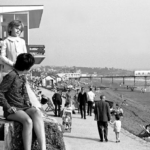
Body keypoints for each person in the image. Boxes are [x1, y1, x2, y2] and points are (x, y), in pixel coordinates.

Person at [0, 53, 46, 150]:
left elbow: (24, 92)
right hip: (12, 109)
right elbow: (0, 93)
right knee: (28, 121)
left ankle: (43, 148)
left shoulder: (22, 76)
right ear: (27, 67)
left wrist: (28, 101)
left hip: (23, 106)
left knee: (37, 112)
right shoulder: (11, 76)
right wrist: (8, 107)